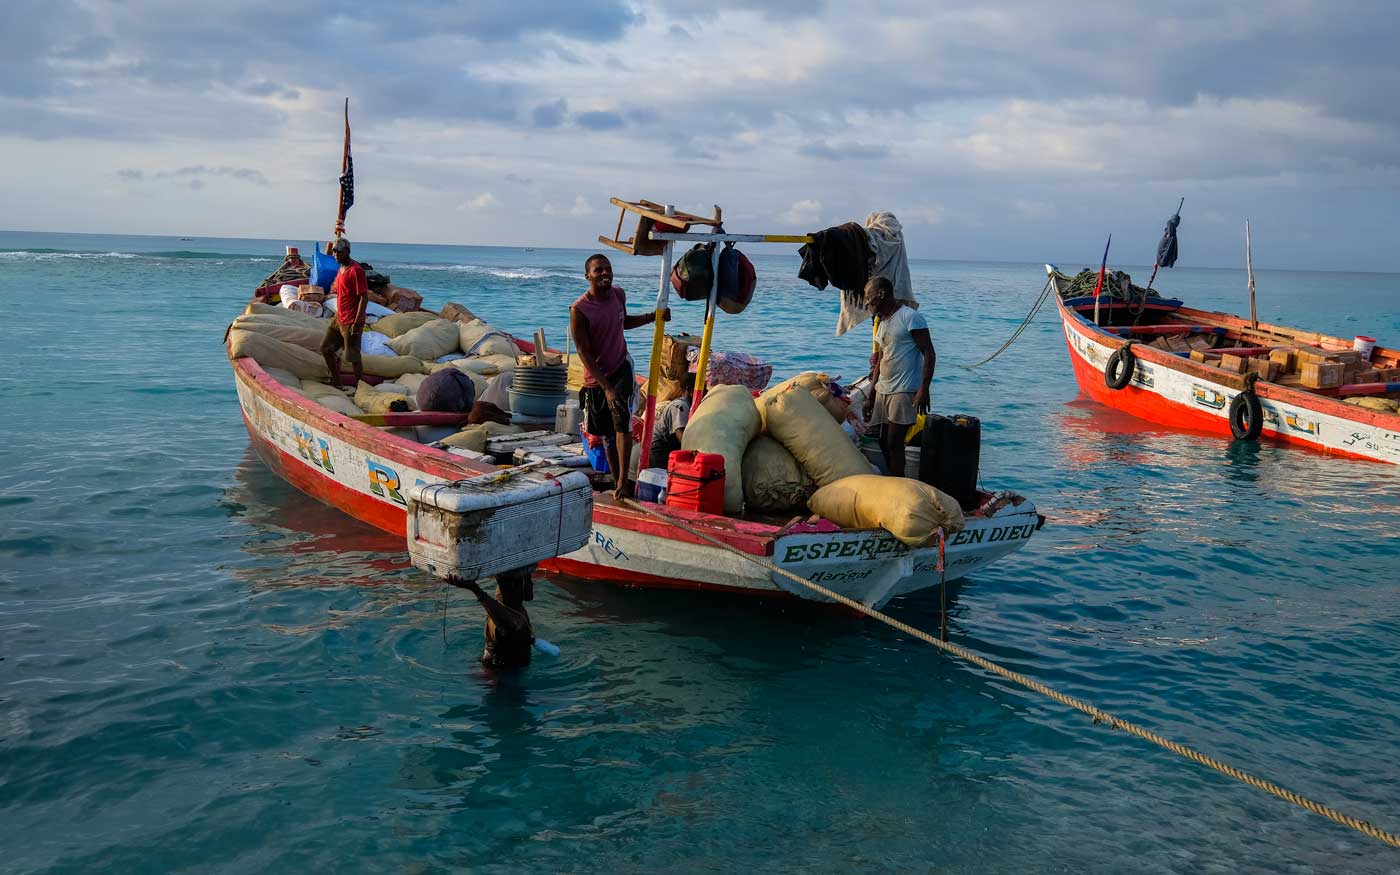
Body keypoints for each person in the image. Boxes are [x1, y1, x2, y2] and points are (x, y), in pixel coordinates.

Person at [570, 254, 669, 501]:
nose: (605, 274)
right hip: (596, 378)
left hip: (621, 367)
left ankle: (624, 483)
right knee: (606, 435)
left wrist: (652, 317)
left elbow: (623, 322)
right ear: (588, 276)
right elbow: (584, 354)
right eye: (598, 270)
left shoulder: (618, 295)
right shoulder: (579, 310)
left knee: (621, 421)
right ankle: (617, 481)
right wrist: (606, 388)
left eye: (608, 269)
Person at [862, 276, 934, 477]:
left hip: (903, 390)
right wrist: (871, 395)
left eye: (870, 299)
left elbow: (929, 352)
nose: (868, 304)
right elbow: (881, 359)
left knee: (895, 442)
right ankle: (895, 479)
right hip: (883, 388)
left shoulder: (909, 317)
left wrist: (924, 389)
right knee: (883, 441)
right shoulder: (882, 322)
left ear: (882, 294)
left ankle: (898, 484)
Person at [319, 237, 368, 386]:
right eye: (334, 252)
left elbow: (363, 297)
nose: (335, 255)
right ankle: (336, 380)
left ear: (347, 251)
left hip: (351, 320)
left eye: (338, 252)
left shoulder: (356, 271)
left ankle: (360, 386)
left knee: (353, 357)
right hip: (339, 317)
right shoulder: (340, 269)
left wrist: (358, 320)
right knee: (325, 348)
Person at [648, 370, 696, 470]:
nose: (705, 392)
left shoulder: (688, 406)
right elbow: (679, 432)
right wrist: (692, 453)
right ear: (690, 390)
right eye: (703, 389)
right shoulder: (680, 406)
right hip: (659, 450)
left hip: (667, 448)